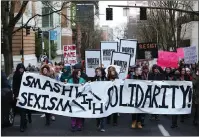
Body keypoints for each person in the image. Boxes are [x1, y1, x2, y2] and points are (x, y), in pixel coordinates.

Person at [13, 63, 31, 132]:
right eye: (20, 68)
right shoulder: (15, 76)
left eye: (22, 68)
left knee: (25, 111)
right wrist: (15, 95)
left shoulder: (26, 75)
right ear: (18, 69)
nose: (21, 69)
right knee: (22, 112)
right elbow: (14, 86)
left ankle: (24, 123)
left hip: (26, 96)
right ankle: (22, 125)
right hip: (19, 96)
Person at [94, 67, 107, 132]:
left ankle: (102, 126)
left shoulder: (105, 79)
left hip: (103, 98)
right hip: (96, 98)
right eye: (96, 71)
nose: (97, 72)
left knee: (103, 112)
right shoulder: (95, 78)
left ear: (101, 72)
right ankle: (98, 123)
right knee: (97, 112)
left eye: (98, 71)